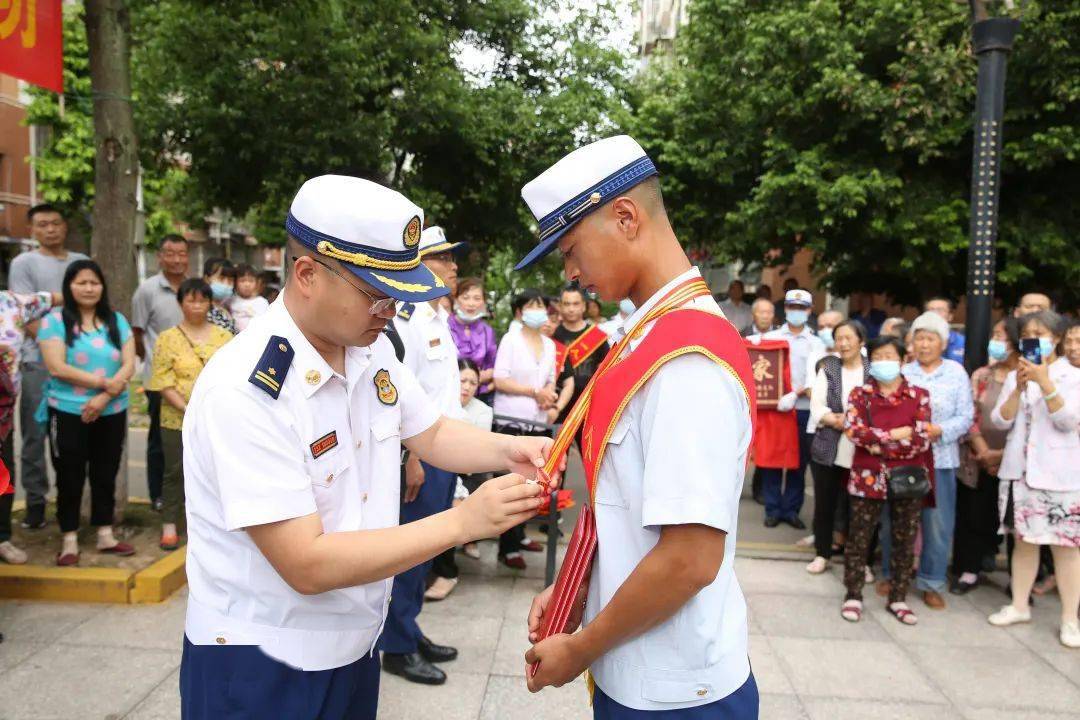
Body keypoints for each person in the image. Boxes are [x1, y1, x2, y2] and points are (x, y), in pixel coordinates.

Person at [178, 175, 553, 719]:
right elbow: (305, 562)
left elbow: (433, 432)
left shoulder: (367, 350)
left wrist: (510, 451)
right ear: (307, 275)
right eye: (377, 294)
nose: (390, 310)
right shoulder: (245, 388)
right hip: (264, 662)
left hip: (352, 647)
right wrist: (464, 522)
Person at [520, 136, 760, 716]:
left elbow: (690, 558)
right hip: (641, 665)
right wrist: (579, 582)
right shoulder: (649, 335)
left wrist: (580, 648)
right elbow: (624, 505)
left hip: (675, 691)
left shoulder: (685, 362)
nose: (571, 277)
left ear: (625, 216)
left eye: (571, 251)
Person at [382, 225, 468, 685]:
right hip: (421, 454)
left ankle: (408, 629)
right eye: (444, 258)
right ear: (420, 265)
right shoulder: (407, 320)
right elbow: (397, 396)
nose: (454, 267)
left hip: (444, 447)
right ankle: (395, 645)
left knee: (428, 550)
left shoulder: (438, 315)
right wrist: (411, 457)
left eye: (454, 259)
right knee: (411, 551)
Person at [987, 312, 1080, 649]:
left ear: (1056, 338)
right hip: (1019, 472)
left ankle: (1070, 618)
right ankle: (1019, 605)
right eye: (1027, 333)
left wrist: (1045, 382)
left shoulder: (1072, 375)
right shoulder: (1015, 375)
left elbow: (1069, 421)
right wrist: (1019, 388)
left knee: (1066, 548)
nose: (1033, 338)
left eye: (1040, 333)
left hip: (1060, 473)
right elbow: (999, 421)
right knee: (1023, 542)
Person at [38, 260, 136, 565]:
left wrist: (103, 397)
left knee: (105, 471)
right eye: (81, 282)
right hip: (68, 411)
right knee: (69, 474)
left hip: (112, 409)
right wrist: (103, 384)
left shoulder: (116, 320)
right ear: (69, 286)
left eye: (94, 282)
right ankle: (69, 539)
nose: (89, 288)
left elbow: (129, 364)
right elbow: (56, 367)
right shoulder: (53, 321)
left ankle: (105, 534)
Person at [839, 335, 933, 626]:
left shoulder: (919, 395)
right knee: (859, 538)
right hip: (867, 477)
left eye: (889, 356)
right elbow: (853, 430)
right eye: (877, 356)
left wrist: (877, 440)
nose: (883, 362)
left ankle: (898, 597)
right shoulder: (860, 394)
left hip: (907, 478)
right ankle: (853, 594)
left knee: (904, 539)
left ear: (903, 360)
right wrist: (894, 435)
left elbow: (920, 439)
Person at [887, 311, 974, 610]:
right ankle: (891, 573)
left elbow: (965, 416)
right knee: (896, 521)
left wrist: (942, 430)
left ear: (943, 343)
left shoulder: (955, 373)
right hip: (904, 459)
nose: (924, 344)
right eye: (919, 338)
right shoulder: (903, 372)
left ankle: (931, 582)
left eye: (931, 338)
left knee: (937, 524)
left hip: (941, 459)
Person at [10, 203, 89, 530]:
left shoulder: (81, 263)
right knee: (34, 436)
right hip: (37, 362)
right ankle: (36, 502)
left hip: (80, 364)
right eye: (42, 224)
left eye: (56, 223)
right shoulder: (24, 263)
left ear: (65, 226)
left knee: (74, 438)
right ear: (32, 230)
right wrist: (57, 350)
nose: (50, 229)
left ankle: (71, 505)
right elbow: (25, 314)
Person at [147, 279, 232, 551]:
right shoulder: (167, 338)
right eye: (190, 299)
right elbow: (162, 381)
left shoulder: (224, 337)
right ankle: (170, 524)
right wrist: (190, 409)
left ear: (210, 303)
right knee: (174, 471)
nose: (196, 305)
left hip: (218, 418)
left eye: (202, 300)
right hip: (176, 418)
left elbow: (233, 376)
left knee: (217, 471)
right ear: (180, 303)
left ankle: (214, 525)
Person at [493, 289, 573, 570]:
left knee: (534, 479)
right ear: (519, 313)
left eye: (541, 305)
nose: (538, 310)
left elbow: (552, 379)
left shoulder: (549, 344)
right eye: (531, 306)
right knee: (510, 481)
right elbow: (500, 380)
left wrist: (550, 397)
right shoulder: (510, 340)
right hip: (511, 419)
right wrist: (534, 391)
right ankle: (507, 547)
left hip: (538, 420)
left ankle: (520, 535)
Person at [952, 317, 1018, 594]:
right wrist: (984, 451)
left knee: (1016, 521)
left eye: (1002, 336)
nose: (996, 341)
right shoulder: (982, 375)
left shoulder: (1027, 378)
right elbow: (970, 415)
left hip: (1015, 459)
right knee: (974, 515)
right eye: (994, 334)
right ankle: (970, 569)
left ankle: (1020, 578)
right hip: (977, 459)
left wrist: (1001, 455)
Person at [131, 233, 189, 511]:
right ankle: (158, 495)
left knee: (191, 441)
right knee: (159, 440)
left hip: (193, 379)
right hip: (160, 381)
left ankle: (188, 495)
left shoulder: (194, 288)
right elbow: (138, 333)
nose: (176, 259)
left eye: (181, 253)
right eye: (170, 253)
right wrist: (152, 364)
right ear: (160, 257)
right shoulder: (147, 290)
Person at [806, 320, 869, 574]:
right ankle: (823, 553)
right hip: (829, 444)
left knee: (861, 507)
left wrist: (855, 423)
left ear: (861, 342)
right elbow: (817, 405)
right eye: (839, 338)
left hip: (862, 448)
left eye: (848, 338)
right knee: (825, 503)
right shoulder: (829, 367)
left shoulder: (872, 368)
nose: (843, 343)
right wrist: (837, 420)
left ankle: (861, 561)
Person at [0, 289, 58, 564]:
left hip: (2, 420)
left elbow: (59, 296)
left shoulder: (13, 303)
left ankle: (2, 538)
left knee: (3, 480)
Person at [762, 289, 825, 528]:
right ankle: (772, 508)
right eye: (792, 307)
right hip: (776, 408)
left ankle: (791, 509)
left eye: (801, 308)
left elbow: (818, 377)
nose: (796, 312)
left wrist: (796, 392)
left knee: (800, 462)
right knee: (773, 458)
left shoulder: (816, 343)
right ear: (785, 308)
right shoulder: (771, 338)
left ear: (809, 311)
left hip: (804, 408)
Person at [453, 359, 494, 564]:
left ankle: (468, 539)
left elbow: (478, 446)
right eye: (463, 381)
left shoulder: (483, 410)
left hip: (470, 468)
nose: (467, 387)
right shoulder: (442, 403)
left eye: (473, 383)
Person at [553, 285, 610, 425]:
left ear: (584, 306)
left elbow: (605, 369)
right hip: (557, 403)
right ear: (560, 306)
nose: (571, 309)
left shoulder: (596, 336)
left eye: (576, 304)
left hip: (587, 402)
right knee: (554, 446)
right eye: (566, 304)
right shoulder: (553, 335)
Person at [447, 277, 497, 405]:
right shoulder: (444, 324)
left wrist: (483, 376)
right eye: (466, 297)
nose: (471, 303)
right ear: (456, 300)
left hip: (477, 395)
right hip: (446, 393)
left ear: (484, 302)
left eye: (477, 298)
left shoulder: (487, 331)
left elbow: (493, 365)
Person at [227, 264, 270, 332]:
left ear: (256, 283)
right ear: (235, 283)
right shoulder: (230, 300)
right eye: (242, 281)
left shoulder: (262, 302)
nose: (247, 284)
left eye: (251, 281)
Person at [925, 297, 965, 365]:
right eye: (931, 310)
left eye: (939, 310)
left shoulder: (963, 342)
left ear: (950, 316)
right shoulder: (917, 342)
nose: (934, 314)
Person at [202, 257, 238, 334]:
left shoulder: (226, 307)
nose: (226, 284)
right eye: (221, 279)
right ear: (206, 279)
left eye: (230, 280)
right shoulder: (202, 309)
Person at [806, 309, 844, 379]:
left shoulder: (855, 353)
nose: (825, 330)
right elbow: (810, 383)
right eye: (821, 327)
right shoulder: (814, 354)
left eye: (830, 326)